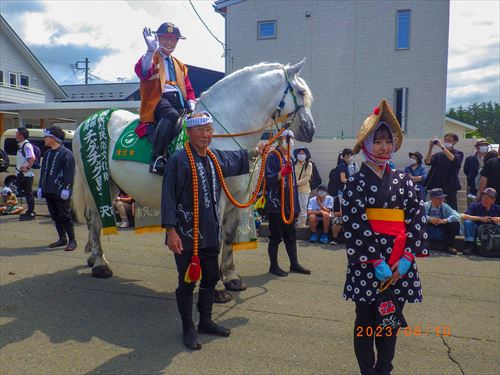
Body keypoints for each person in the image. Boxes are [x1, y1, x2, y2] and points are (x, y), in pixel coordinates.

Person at [161, 112, 263, 350]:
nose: (206, 135)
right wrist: (171, 231)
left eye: (209, 130)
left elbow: (236, 158)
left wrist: (257, 151)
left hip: (209, 230)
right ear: (189, 132)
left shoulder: (214, 157)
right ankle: (188, 327)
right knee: (187, 282)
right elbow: (167, 197)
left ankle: (205, 320)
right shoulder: (178, 160)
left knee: (210, 277)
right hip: (186, 234)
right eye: (200, 131)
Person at [342, 99, 427, 375]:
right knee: (365, 321)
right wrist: (376, 260)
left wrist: (407, 257)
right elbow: (354, 224)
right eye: (377, 141)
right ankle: (368, 371)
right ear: (366, 145)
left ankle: (384, 369)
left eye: (387, 141)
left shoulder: (404, 181)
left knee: (389, 321)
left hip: (399, 265)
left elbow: (416, 218)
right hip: (369, 265)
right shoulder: (355, 184)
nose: (383, 146)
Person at [135, 22, 196, 175]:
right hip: (158, 100)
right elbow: (143, 71)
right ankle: (157, 158)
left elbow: (188, 88)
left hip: (179, 102)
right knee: (171, 115)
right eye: (165, 39)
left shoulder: (180, 65)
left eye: (173, 39)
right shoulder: (153, 57)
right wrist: (150, 50)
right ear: (158, 38)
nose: (169, 43)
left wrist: (192, 102)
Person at [265, 129, 311, 277]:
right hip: (276, 203)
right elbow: (269, 179)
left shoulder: (290, 158)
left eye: (291, 138)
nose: (290, 141)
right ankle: (273, 266)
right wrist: (281, 173)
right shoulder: (273, 156)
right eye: (287, 138)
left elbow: (294, 185)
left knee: (291, 234)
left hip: (289, 204)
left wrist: (295, 206)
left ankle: (294, 263)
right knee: (276, 236)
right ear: (280, 139)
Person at [37, 126, 77, 251]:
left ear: (54, 139)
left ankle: (72, 241)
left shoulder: (67, 154)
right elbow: (43, 171)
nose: (44, 139)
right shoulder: (47, 153)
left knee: (65, 216)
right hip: (48, 189)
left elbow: (69, 173)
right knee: (54, 216)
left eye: (47, 136)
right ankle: (62, 238)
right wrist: (40, 187)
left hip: (61, 191)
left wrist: (66, 188)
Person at [424, 133, 464, 210]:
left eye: (449, 140)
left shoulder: (458, 153)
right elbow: (428, 161)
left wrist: (442, 146)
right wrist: (430, 147)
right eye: (445, 140)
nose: (446, 141)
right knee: (435, 207)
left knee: (452, 208)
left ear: (455, 141)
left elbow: (453, 160)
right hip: (437, 185)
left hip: (450, 185)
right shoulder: (438, 155)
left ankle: (453, 222)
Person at [461, 188, 500, 255]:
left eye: (487, 198)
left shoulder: (497, 208)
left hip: (491, 232)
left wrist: (497, 219)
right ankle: (470, 246)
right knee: (468, 222)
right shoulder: (474, 205)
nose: (484, 200)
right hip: (476, 230)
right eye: (483, 197)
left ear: (493, 200)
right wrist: (480, 218)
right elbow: (463, 216)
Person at [423, 188, 461, 255]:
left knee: (455, 224)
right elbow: (418, 214)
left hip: (441, 226)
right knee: (419, 222)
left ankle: (449, 245)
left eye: (442, 198)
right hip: (428, 226)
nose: (441, 200)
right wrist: (429, 219)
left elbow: (457, 216)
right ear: (432, 198)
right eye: (438, 198)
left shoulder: (445, 206)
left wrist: (444, 220)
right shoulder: (425, 205)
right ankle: (422, 242)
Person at [15, 127, 36, 220]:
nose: (15, 135)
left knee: (29, 193)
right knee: (27, 193)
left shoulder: (27, 145)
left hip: (27, 175)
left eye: (17, 134)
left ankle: (31, 212)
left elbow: (32, 158)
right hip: (23, 175)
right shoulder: (21, 145)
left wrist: (26, 168)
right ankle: (29, 211)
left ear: (21, 135)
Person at [293, 147, 313, 227]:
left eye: (303, 153)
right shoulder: (293, 164)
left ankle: (302, 223)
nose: (301, 155)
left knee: (303, 206)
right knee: (294, 206)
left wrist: (295, 183)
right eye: (299, 153)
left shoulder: (309, 164)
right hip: (294, 189)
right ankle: (296, 222)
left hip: (304, 189)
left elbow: (306, 179)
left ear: (306, 155)